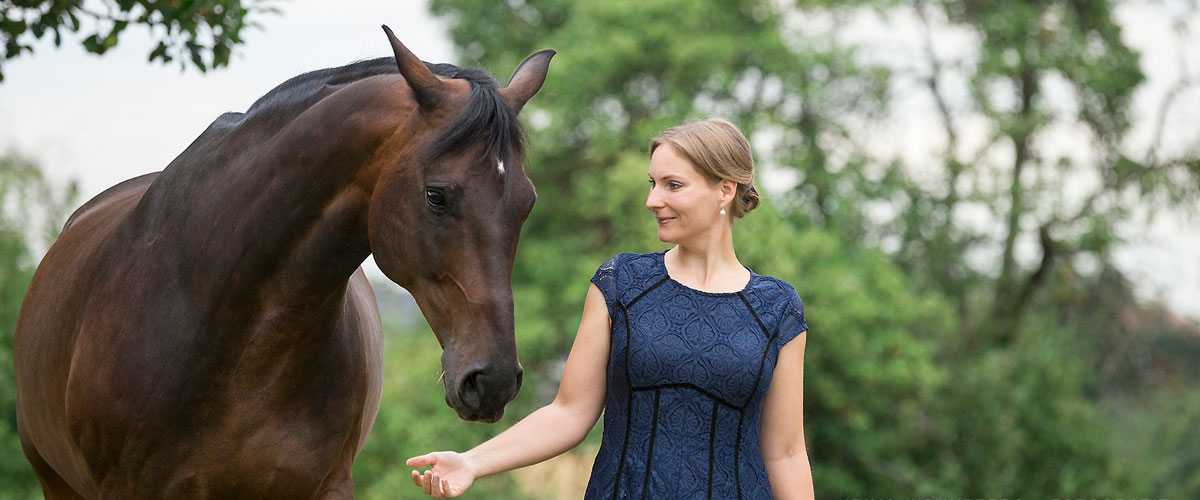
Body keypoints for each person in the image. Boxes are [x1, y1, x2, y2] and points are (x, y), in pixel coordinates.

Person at [406, 117, 813, 499]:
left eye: (673, 185)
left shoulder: (777, 308)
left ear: (724, 190)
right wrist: (473, 462)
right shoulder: (622, 283)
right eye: (652, 183)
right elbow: (569, 412)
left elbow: (786, 453)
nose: (653, 200)